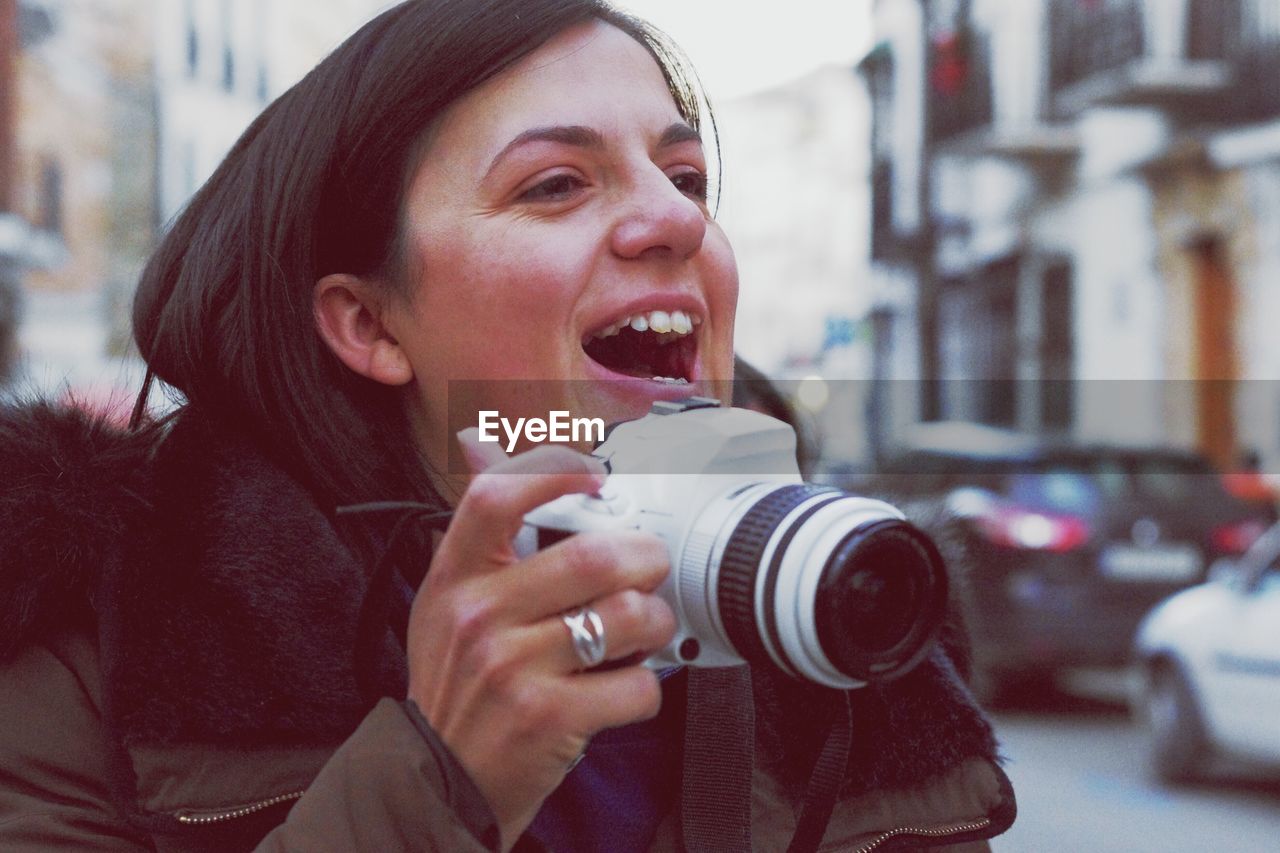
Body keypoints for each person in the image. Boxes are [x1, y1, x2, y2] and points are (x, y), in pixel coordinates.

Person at [0, 1, 1015, 850]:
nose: (677, 219)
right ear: (368, 322)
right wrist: (435, 778)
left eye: (686, 177)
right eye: (556, 183)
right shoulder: (101, 661)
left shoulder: (859, 636)